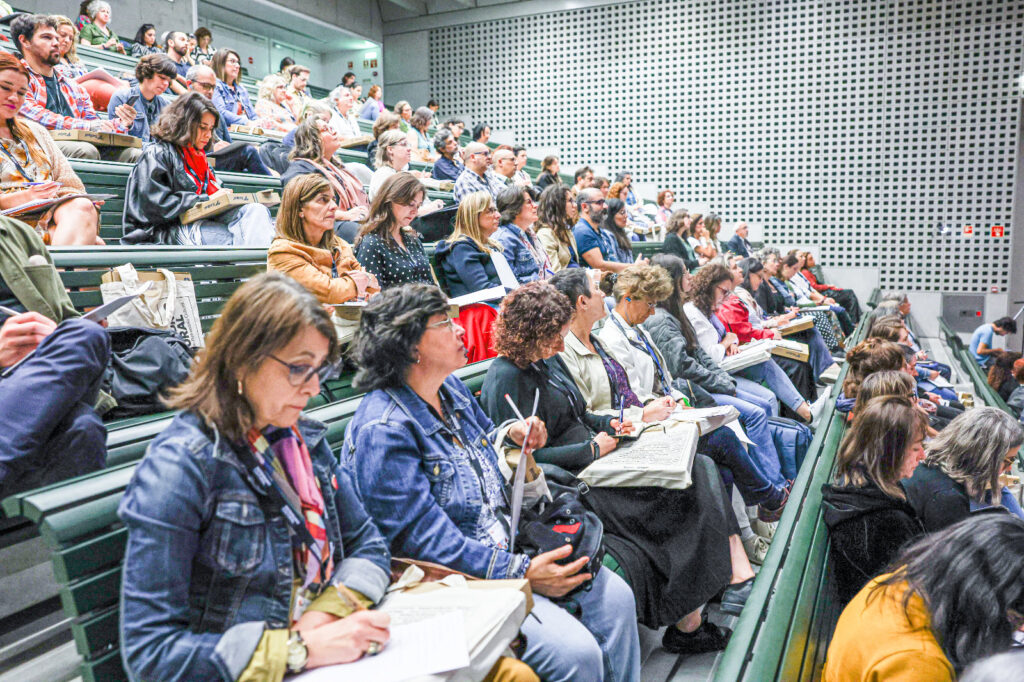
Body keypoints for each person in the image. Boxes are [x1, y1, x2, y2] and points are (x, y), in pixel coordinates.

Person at [344, 283, 640, 682]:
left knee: (618, 598)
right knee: (576, 653)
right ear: (411, 344)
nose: (462, 329)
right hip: (461, 581)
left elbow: (486, 448)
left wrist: (512, 433)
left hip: (507, 544)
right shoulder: (384, 430)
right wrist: (520, 572)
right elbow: (424, 543)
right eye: (445, 323)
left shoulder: (448, 390)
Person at [119, 273, 398, 681]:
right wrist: (296, 651)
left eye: (320, 368)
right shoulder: (181, 467)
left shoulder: (302, 440)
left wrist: (320, 620)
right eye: (300, 368)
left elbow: (368, 545)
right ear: (241, 359)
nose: (315, 388)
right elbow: (152, 656)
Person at [481, 282, 757, 645]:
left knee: (700, 466)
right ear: (530, 333)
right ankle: (691, 615)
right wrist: (590, 450)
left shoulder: (544, 360)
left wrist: (609, 424)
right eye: (555, 337)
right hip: (578, 481)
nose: (562, 346)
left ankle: (702, 598)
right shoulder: (505, 378)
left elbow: (580, 413)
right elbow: (522, 461)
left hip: (601, 458)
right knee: (687, 484)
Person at [584, 265, 790, 518]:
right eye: (648, 304)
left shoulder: (637, 330)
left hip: (666, 408)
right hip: (647, 420)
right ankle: (770, 498)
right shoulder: (613, 338)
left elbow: (665, 378)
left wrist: (678, 400)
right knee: (724, 438)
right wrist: (671, 405)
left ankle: (765, 504)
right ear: (627, 298)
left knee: (726, 448)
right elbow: (635, 396)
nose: (652, 312)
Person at [823, 514, 1024, 681]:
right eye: (1015, 619)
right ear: (982, 599)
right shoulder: (919, 660)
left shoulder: (900, 584)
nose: (1015, 629)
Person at [0, 215, 109, 498]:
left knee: (86, 334)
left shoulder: (17, 234)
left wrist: (61, 332)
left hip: (44, 376)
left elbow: (66, 316)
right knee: (84, 429)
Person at [122, 92, 275, 246]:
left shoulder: (199, 156)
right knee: (235, 241)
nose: (208, 135)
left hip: (201, 221)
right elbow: (154, 206)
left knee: (256, 210)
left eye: (211, 129)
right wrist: (206, 199)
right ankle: (259, 267)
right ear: (184, 124)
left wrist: (222, 200)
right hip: (163, 231)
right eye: (203, 128)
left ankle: (260, 266)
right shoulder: (156, 154)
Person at [821, 395, 928, 604]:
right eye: (916, 448)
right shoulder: (883, 519)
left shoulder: (866, 492)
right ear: (889, 452)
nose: (922, 455)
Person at [684, 263, 816, 422]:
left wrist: (730, 342)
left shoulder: (707, 309)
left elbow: (729, 334)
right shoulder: (694, 312)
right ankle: (794, 424)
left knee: (767, 364)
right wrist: (727, 342)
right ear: (709, 286)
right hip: (717, 374)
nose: (725, 298)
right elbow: (712, 355)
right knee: (768, 398)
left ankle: (806, 411)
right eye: (724, 292)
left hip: (726, 365)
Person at [0, 53, 102, 245]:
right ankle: (61, 270)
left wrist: (75, 201)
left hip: (47, 224)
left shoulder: (35, 131)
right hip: (7, 226)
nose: (14, 97)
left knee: (82, 207)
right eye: (5, 88)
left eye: (22, 93)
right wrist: (18, 198)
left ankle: (57, 268)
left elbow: (70, 185)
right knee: (92, 244)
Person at [268, 174, 378, 346]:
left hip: (341, 330)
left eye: (333, 200)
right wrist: (356, 284)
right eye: (323, 200)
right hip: (297, 338)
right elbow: (330, 291)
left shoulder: (338, 244)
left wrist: (359, 283)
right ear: (299, 209)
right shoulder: (283, 252)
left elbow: (371, 284)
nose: (334, 207)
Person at [13, 14, 138, 162]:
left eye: (56, 38)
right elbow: (38, 117)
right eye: (47, 37)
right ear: (25, 41)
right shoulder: (15, 76)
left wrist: (121, 123)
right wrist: (89, 126)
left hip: (77, 143)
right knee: (86, 151)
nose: (56, 43)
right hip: (33, 145)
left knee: (134, 154)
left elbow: (93, 122)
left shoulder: (73, 86)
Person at [901, 407, 1024, 532]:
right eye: (1008, 461)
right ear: (983, 456)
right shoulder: (948, 499)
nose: (1009, 468)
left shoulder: (932, 467)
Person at [722, 258, 839, 382]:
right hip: (759, 340)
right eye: (759, 276)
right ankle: (824, 368)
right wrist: (776, 324)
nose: (761, 280)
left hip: (764, 333)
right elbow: (746, 329)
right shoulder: (738, 296)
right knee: (800, 356)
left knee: (809, 332)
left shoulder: (743, 293)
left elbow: (759, 319)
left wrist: (780, 319)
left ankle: (825, 367)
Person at [281, 117, 370, 243]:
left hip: (345, 221)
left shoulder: (340, 170)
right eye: (325, 130)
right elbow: (299, 205)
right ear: (312, 140)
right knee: (364, 235)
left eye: (331, 127)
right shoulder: (300, 168)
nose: (333, 131)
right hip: (321, 227)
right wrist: (345, 215)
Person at [185, 64, 273, 176]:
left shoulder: (216, 114)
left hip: (216, 161)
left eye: (213, 87)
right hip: (200, 161)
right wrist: (213, 148)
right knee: (247, 151)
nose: (211, 92)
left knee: (266, 149)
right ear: (189, 84)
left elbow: (229, 145)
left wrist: (225, 147)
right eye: (206, 86)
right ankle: (278, 187)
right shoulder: (180, 111)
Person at [354, 172, 435, 290]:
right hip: (397, 307)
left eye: (418, 206)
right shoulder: (371, 243)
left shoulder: (413, 239)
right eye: (410, 204)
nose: (414, 212)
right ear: (390, 200)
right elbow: (372, 295)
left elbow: (430, 283)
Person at [778, 252, 855, 336]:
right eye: (801, 256)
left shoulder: (796, 275)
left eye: (804, 256)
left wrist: (822, 300)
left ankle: (845, 338)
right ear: (786, 267)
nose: (803, 258)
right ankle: (840, 342)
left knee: (837, 308)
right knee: (830, 312)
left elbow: (809, 290)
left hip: (805, 305)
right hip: (802, 307)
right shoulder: (787, 281)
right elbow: (797, 301)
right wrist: (819, 302)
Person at [107, 54, 176, 143]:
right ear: (146, 72)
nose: (166, 83)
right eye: (162, 78)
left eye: (169, 80)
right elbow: (115, 138)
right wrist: (127, 124)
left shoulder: (167, 105)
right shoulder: (121, 98)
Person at [494, 185, 549, 283]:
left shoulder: (530, 235)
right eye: (529, 202)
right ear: (514, 207)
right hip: (528, 295)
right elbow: (512, 284)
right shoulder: (503, 239)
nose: (535, 205)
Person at [573, 188, 628, 273]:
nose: (605, 206)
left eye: (604, 202)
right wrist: (634, 267)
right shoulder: (582, 231)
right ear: (585, 207)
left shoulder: (600, 231)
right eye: (599, 203)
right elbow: (600, 266)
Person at [801, 251, 861, 323]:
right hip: (822, 294)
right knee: (849, 294)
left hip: (823, 292)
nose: (813, 260)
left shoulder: (808, 271)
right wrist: (828, 286)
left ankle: (855, 321)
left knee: (849, 296)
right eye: (810, 259)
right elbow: (814, 287)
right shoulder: (805, 272)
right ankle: (855, 321)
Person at [534, 184, 581, 271]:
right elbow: (554, 274)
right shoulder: (545, 234)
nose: (575, 205)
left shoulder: (566, 230)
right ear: (558, 204)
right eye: (570, 201)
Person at [211, 48, 255, 126]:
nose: (237, 66)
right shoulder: (215, 85)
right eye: (232, 61)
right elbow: (220, 113)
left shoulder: (242, 90)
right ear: (220, 63)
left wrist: (259, 123)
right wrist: (246, 122)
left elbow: (253, 116)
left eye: (238, 63)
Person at [600, 198, 634, 263]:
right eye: (622, 212)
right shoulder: (607, 236)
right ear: (611, 216)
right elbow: (614, 264)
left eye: (625, 212)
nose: (626, 216)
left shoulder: (622, 233)